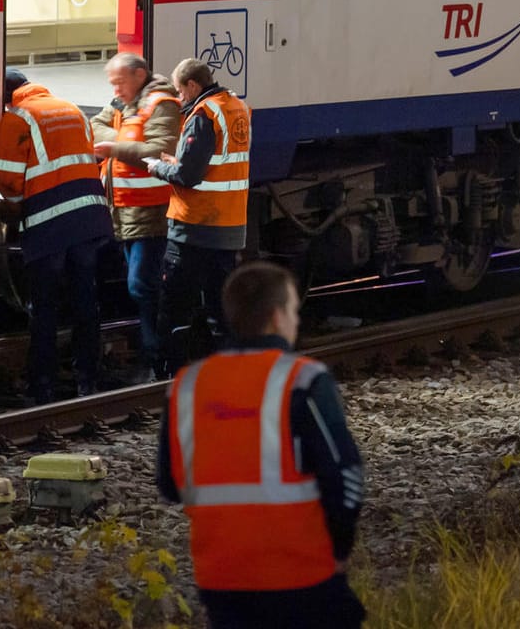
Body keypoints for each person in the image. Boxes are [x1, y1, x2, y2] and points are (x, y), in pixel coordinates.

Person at [156, 261, 366, 628]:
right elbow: (345, 475)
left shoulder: (186, 387)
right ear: (276, 317)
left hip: (220, 579)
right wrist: (340, 547)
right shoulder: (303, 379)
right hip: (299, 574)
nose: (296, 322)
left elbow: (170, 485)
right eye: (293, 312)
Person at [0, 68, 116, 402]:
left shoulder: (16, 120)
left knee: (44, 308)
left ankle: (43, 386)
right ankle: (87, 379)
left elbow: (7, 179)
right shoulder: (71, 108)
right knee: (85, 301)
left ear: (7, 95)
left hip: (49, 224)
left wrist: (11, 206)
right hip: (89, 218)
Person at [147, 57, 252, 371]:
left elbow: (190, 175)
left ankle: (171, 372)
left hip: (195, 228)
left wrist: (159, 167)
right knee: (222, 307)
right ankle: (228, 370)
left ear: (193, 85)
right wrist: (177, 162)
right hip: (230, 225)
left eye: (181, 92)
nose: (180, 99)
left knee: (176, 304)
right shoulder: (237, 108)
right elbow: (220, 162)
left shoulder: (203, 114)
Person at [89, 52, 182, 379]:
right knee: (141, 285)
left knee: (142, 285)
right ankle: (157, 354)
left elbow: (157, 151)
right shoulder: (125, 103)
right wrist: (125, 141)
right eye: (112, 84)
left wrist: (115, 148)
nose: (115, 91)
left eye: (119, 82)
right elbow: (95, 125)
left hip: (152, 213)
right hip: (124, 212)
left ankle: (158, 356)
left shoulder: (161, 104)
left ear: (139, 75)